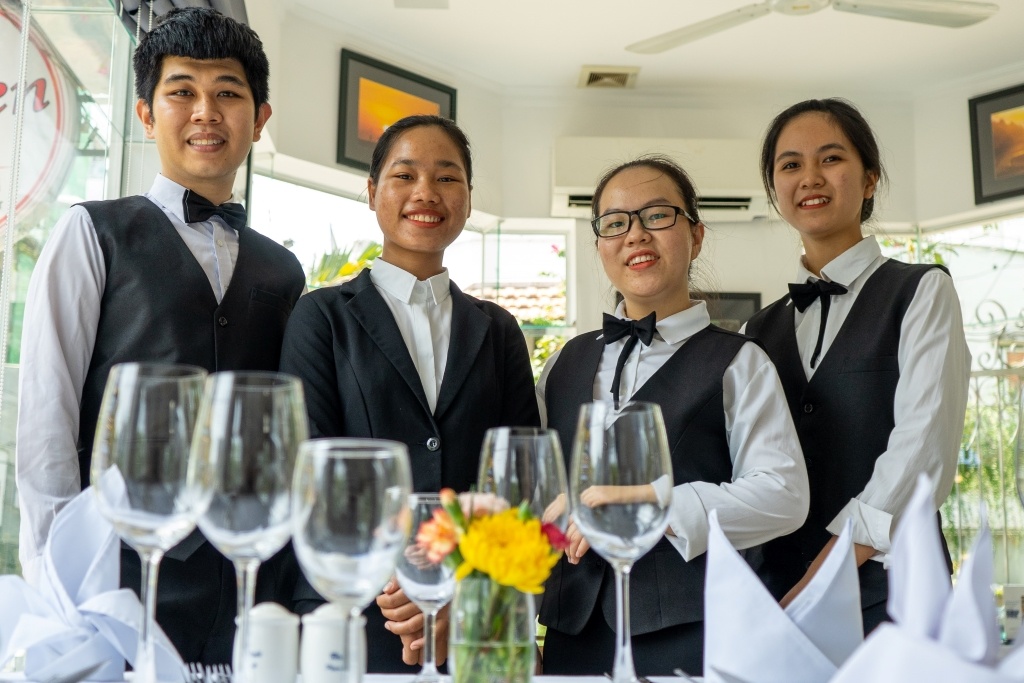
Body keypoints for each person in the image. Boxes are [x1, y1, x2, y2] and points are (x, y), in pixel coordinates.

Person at [16, 7, 305, 664]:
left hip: (243, 597)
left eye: (228, 94)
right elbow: (45, 426)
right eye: (182, 92)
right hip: (112, 586)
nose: (206, 112)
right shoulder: (90, 233)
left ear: (259, 119)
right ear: (146, 114)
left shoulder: (283, 270)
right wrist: (62, 590)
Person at [278, 114, 540, 673]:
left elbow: (519, 483)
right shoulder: (321, 317)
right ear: (372, 193)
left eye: (448, 178)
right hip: (352, 609)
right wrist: (408, 581)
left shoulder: (498, 331)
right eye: (405, 175)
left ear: (468, 199)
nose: (427, 192)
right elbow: (315, 471)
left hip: (474, 615)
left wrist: (464, 590)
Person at [536, 155, 809, 676]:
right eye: (615, 223)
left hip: (696, 634)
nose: (635, 235)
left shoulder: (740, 360)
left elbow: (785, 495)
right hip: (574, 633)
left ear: (696, 235)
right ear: (599, 246)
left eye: (657, 216)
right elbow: (538, 497)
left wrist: (653, 507)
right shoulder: (563, 362)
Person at [743, 98, 970, 634]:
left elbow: (922, 446)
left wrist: (827, 573)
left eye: (831, 159)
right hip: (782, 590)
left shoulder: (921, 291)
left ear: (869, 180)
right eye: (791, 165)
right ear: (776, 191)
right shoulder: (758, 331)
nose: (810, 178)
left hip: (896, 589)